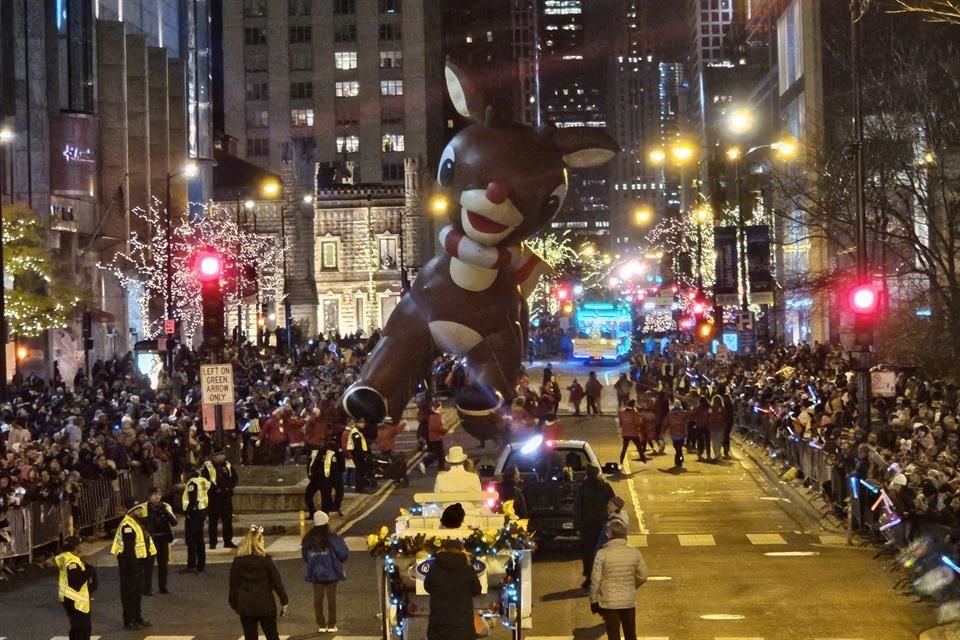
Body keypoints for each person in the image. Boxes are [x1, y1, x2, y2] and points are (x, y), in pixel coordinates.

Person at [589, 519, 648, 640]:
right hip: (628, 600)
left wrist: (593, 600)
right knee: (630, 634)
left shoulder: (602, 553)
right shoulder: (634, 552)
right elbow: (643, 575)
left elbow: (595, 580)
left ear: (609, 534)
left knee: (614, 635)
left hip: (609, 602)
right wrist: (632, 585)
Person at [229, 524, 289, 640]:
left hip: (246, 604)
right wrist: (284, 601)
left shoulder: (238, 562)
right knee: (271, 634)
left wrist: (235, 604)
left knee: (250, 636)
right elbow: (277, 582)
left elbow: (234, 585)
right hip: (265, 603)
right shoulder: (266, 561)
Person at [423, 538, 482, 640]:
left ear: (444, 549)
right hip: (463, 625)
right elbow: (477, 589)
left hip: (439, 625)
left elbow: (427, 587)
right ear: (460, 550)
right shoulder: (467, 569)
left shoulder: (435, 568)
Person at [302, 511, 349, 634]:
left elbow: (305, 556)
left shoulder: (308, 538)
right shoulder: (332, 537)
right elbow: (343, 553)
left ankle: (321, 624)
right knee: (331, 598)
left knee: (318, 598)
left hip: (316, 572)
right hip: (331, 571)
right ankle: (332, 624)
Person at [111, 500, 155, 630]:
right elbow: (129, 551)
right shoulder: (127, 526)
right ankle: (129, 620)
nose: (141, 511)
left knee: (136, 593)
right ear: (131, 511)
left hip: (137, 563)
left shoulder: (137, 523)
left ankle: (137, 618)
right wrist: (134, 567)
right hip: (130, 565)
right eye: (138, 509)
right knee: (130, 592)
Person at [574, 465, 614, 589]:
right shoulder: (605, 487)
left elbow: (577, 508)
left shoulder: (583, 488)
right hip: (602, 524)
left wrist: (578, 524)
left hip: (587, 526)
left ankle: (590, 576)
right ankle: (603, 576)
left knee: (588, 553)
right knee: (603, 551)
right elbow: (615, 502)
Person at [55, 535, 97, 640]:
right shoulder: (72, 562)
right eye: (79, 544)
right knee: (82, 629)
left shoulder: (66, 558)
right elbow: (75, 581)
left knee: (77, 628)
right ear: (75, 546)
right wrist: (89, 572)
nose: (81, 547)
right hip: (75, 600)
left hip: (69, 598)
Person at [143, 486, 177, 595]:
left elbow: (174, 522)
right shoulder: (144, 508)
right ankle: (147, 588)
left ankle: (163, 586)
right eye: (155, 494)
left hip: (163, 538)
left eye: (159, 494)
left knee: (163, 564)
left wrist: (165, 512)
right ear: (150, 496)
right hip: (151, 539)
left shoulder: (166, 506)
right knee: (149, 565)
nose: (157, 496)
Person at [202, 449, 238, 549]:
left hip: (226, 497)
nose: (223, 456)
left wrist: (228, 487)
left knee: (227, 520)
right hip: (214, 497)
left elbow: (234, 478)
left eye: (223, 454)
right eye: (220, 455)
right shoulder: (207, 466)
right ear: (214, 456)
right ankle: (213, 542)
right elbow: (205, 480)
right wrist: (216, 489)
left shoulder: (228, 465)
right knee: (213, 521)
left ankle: (228, 541)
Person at [181, 468, 211, 574]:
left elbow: (192, 500)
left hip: (194, 514)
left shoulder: (192, 484)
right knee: (199, 539)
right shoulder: (201, 480)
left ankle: (192, 564)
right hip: (202, 511)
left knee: (191, 539)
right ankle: (201, 564)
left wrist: (187, 513)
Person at [306, 439, 343, 517]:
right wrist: (311, 475)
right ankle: (312, 513)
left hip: (327, 479)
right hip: (316, 478)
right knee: (308, 495)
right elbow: (312, 465)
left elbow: (341, 467)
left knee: (325, 497)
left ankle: (325, 514)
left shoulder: (336, 454)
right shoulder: (317, 453)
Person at [346, 422, 373, 493]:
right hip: (358, 455)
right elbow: (357, 446)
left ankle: (361, 487)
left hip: (359, 455)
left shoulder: (358, 432)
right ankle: (359, 488)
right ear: (357, 423)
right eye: (361, 423)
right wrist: (363, 455)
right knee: (359, 472)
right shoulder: (355, 432)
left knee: (361, 471)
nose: (363, 424)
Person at [618, 400, 646, 467]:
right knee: (639, 447)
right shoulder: (634, 412)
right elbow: (638, 422)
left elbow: (620, 423)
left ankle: (621, 461)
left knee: (624, 448)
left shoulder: (622, 412)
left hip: (625, 433)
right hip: (633, 433)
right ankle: (643, 459)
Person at [664, 399, 688, 469]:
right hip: (681, 433)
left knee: (676, 447)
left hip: (673, 433)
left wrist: (663, 431)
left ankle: (678, 459)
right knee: (679, 447)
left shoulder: (670, 414)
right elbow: (688, 419)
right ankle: (679, 459)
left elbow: (666, 423)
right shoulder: (683, 413)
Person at [707, 395, 727, 462]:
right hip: (719, 427)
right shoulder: (722, 408)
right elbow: (724, 417)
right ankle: (717, 453)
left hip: (713, 427)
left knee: (714, 441)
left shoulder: (711, 408)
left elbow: (709, 416)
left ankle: (717, 453)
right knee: (718, 441)